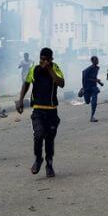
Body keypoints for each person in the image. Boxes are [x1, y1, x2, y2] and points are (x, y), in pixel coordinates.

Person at [16, 47, 64, 177]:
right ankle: (38, 159)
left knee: (49, 139)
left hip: (52, 111)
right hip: (38, 110)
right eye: (41, 59)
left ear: (50, 59)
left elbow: (61, 83)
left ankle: (49, 164)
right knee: (38, 135)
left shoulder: (55, 68)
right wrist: (20, 100)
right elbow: (26, 83)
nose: (42, 62)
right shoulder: (35, 69)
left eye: (45, 60)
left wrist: (49, 69)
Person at [80, 56, 104, 123]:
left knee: (94, 102)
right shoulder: (89, 68)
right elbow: (84, 76)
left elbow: (94, 77)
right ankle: (83, 90)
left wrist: (99, 82)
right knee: (87, 101)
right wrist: (84, 87)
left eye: (97, 60)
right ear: (92, 61)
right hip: (87, 87)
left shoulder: (97, 68)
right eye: (96, 60)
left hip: (94, 87)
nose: (97, 61)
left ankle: (92, 116)